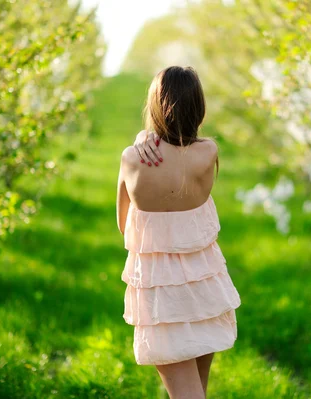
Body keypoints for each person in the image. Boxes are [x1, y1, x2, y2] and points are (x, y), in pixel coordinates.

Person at [116, 66, 241, 399]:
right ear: (198, 107)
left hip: (161, 293)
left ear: (156, 106)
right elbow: (185, 147)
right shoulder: (208, 152)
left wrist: (141, 139)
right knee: (197, 390)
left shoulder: (132, 160)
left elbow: (123, 225)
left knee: (186, 395)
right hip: (204, 284)